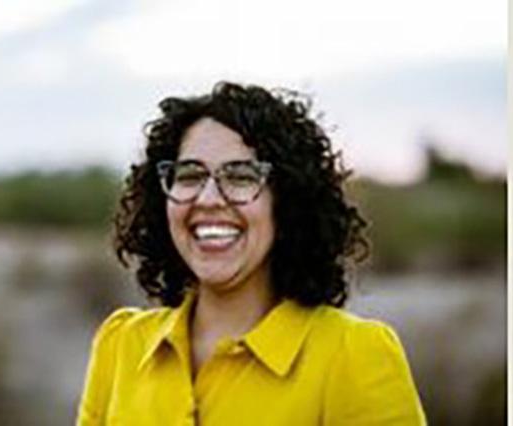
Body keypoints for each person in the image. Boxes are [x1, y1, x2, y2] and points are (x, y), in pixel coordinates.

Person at [76, 82, 426, 425]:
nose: (208, 198)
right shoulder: (120, 344)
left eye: (241, 176)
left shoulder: (353, 354)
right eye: (190, 174)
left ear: (286, 200)